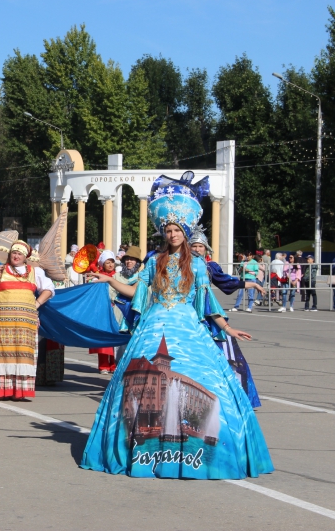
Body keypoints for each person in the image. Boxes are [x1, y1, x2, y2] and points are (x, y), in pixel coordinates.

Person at [80, 178, 273, 479]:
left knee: (204, 382)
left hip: (187, 325)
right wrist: (109, 281)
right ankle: (146, 449)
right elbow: (135, 293)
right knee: (142, 381)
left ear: (185, 232)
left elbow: (207, 302)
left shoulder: (197, 264)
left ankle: (196, 449)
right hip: (154, 322)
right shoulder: (154, 261)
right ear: (163, 232)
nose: (171, 234)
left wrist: (228, 329)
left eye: (176, 230)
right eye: (167, 230)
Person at [190, 226, 263, 408]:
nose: (197, 249)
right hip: (185, 312)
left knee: (227, 353)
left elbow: (227, 282)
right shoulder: (181, 264)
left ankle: (238, 397)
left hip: (208, 312)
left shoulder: (210, 267)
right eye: (194, 246)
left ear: (206, 249)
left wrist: (251, 284)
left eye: (200, 246)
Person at [0, 241, 55, 401]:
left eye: (19, 254)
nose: (16, 256)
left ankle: (18, 391)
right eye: (14, 253)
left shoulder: (35, 271)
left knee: (21, 355)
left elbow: (49, 289)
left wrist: (37, 303)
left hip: (24, 323)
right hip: (0, 323)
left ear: (25, 257)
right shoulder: (1, 270)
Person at [89, 250, 118, 374]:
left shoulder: (117, 276)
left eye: (112, 262)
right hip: (102, 311)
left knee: (115, 337)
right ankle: (103, 365)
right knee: (103, 339)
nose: (110, 265)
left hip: (116, 309)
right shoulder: (97, 277)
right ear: (102, 264)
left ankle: (114, 364)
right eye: (107, 262)